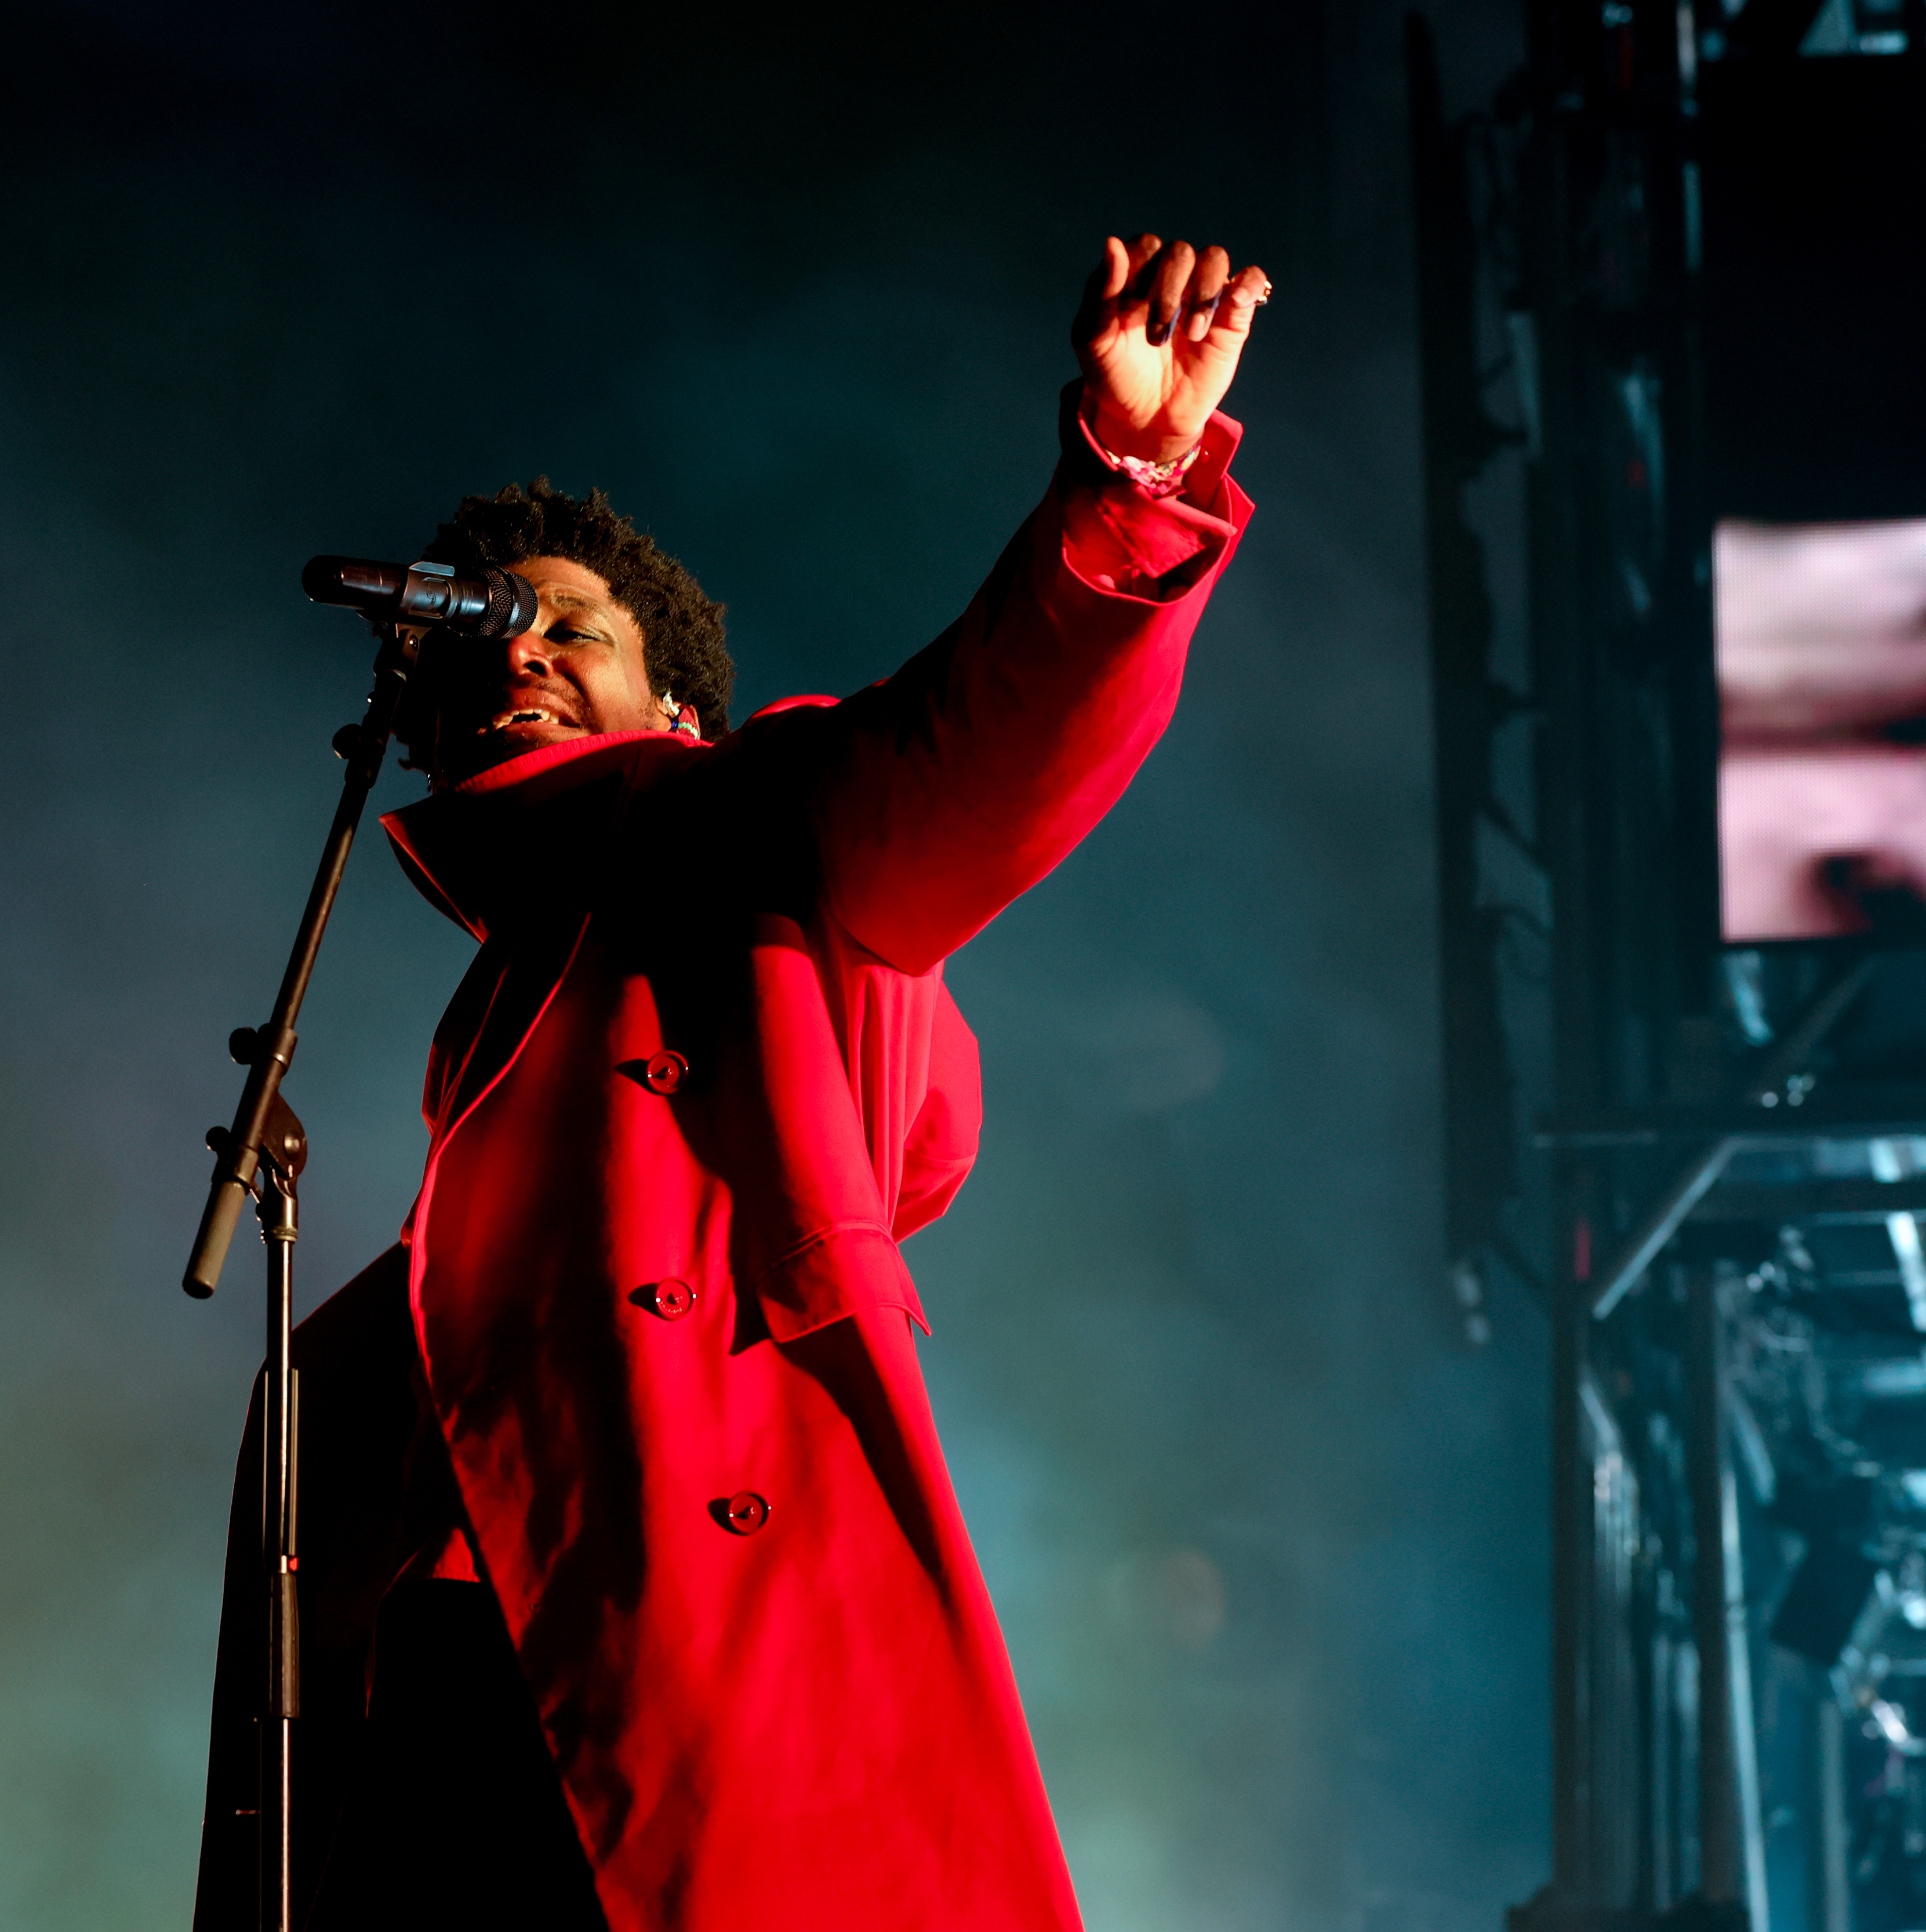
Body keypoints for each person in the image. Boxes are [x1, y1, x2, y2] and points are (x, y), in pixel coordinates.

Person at [193, 232, 1269, 1932]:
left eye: (579, 625)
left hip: (674, 1677)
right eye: (495, 628)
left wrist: (1131, 480)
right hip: (468, 1720)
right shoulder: (489, 1083)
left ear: (681, 708)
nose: (525, 644)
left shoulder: (753, 831)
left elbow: (974, 759)